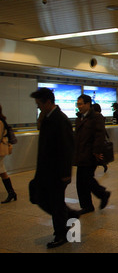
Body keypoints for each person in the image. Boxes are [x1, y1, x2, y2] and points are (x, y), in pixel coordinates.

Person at [29, 88, 78, 248]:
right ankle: (69, 214)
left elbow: (67, 148)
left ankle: (61, 234)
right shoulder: (47, 118)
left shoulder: (60, 119)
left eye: (39, 104)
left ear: (48, 102)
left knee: (56, 203)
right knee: (39, 197)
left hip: (57, 172)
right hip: (46, 170)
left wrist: (65, 173)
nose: (38, 107)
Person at [74, 94, 111, 215]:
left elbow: (99, 136)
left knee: (87, 179)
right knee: (81, 182)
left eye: (81, 104)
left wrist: (96, 151)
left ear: (88, 104)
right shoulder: (79, 118)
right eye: (78, 104)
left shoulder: (96, 117)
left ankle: (102, 194)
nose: (79, 106)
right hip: (80, 153)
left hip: (90, 154)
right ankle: (87, 205)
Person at [0, 104, 17, 204]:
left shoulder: (0, 122)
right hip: (2, 149)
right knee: (2, 171)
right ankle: (11, 193)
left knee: (2, 171)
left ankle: (11, 192)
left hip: (0, 149)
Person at [93, 103, 108, 172]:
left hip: (98, 140)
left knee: (98, 154)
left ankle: (103, 164)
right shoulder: (101, 116)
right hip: (101, 139)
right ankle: (104, 164)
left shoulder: (97, 117)